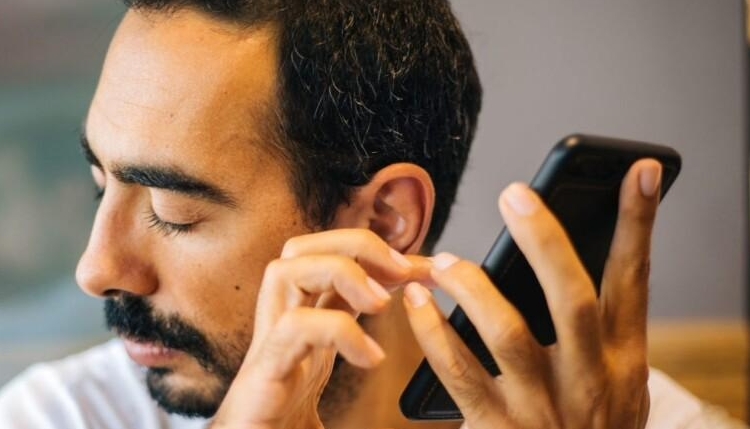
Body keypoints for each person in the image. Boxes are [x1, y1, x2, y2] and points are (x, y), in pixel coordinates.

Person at [0, 1, 744, 428]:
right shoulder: (60, 415)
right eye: (101, 185)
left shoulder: (614, 417)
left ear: (385, 221)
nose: (96, 269)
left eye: (174, 210)